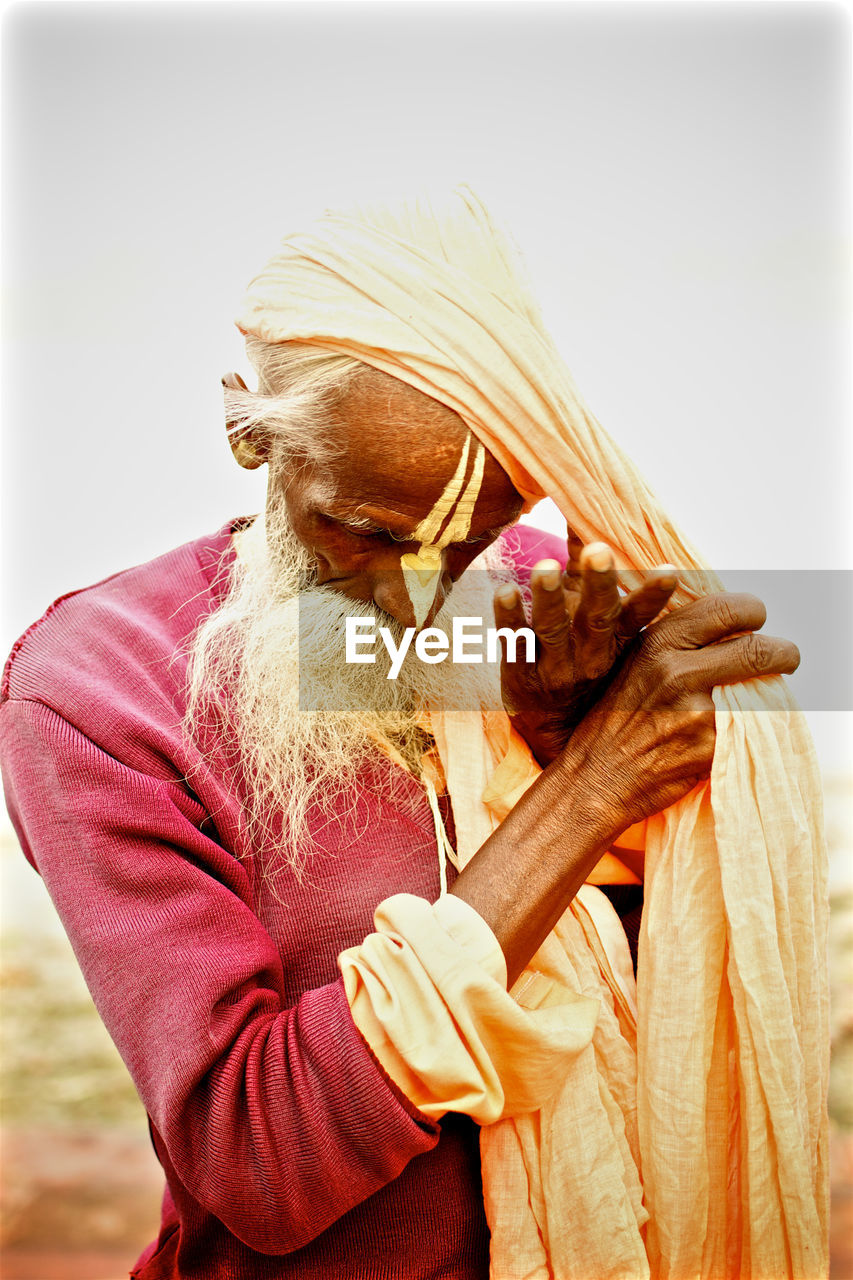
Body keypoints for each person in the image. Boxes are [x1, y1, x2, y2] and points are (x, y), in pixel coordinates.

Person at [0, 190, 826, 1280]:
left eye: (474, 531)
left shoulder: (547, 598)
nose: (421, 592)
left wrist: (542, 733)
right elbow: (258, 1161)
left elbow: (672, 984)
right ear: (250, 432)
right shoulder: (101, 688)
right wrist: (579, 790)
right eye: (366, 527)